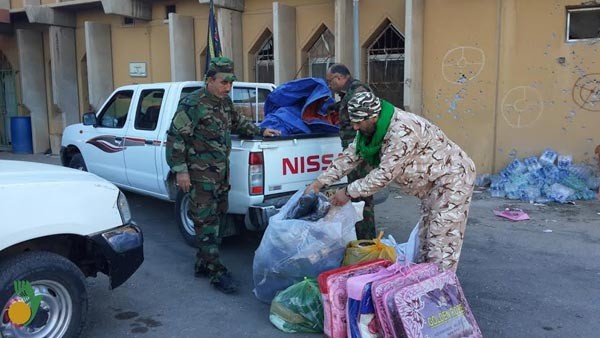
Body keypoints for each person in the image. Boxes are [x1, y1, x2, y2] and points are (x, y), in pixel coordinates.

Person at [306, 92, 476, 272]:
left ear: (373, 116)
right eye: (353, 121)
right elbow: (350, 155)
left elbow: (383, 175)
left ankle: (441, 294)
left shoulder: (402, 131)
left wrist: (348, 192)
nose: (355, 127)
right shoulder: (371, 130)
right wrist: (318, 183)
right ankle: (425, 285)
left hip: (452, 180)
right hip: (432, 186)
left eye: (358, 122)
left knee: (441, 243)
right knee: (425, 240)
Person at [166, 57, 281, 293]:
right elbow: (176, 138)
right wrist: (181, 171)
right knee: (205, 221)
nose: (227, 87)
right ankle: (217, 273)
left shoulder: (224, 103)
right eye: (223, 82)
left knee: (216, 219)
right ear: (209, 80)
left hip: (220, 174)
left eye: (230, 82)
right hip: (199, 175)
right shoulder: (192, 104)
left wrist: (260, 131)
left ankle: (202, 263)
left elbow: (238, 123)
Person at [325, 64, 376, 240]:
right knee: (358, 196)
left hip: (360, 152)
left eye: (330, 81)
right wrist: (334, 107)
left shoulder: (358, 91)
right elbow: (348, 106)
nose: (329, 85)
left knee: (362, 197)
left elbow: (367, 119)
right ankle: (362, 238)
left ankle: (366, 241)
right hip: (353, 150)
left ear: (340, 78)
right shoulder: (349, 93)